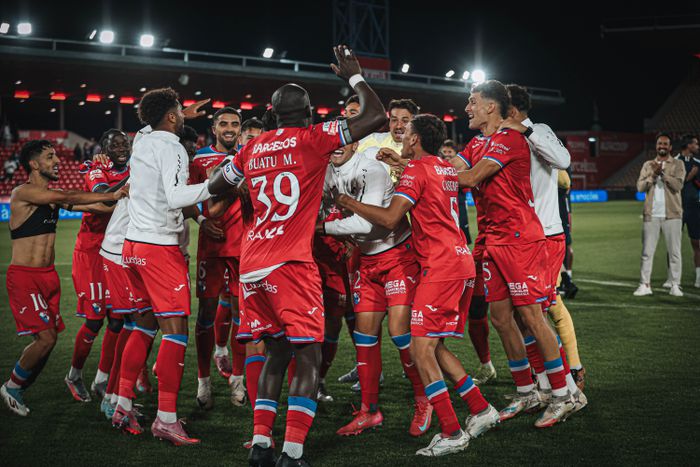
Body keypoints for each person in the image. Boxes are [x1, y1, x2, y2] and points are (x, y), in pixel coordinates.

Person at [208, 44, 387, 467]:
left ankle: (260, 446)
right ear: (308, 114)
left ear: (271, 114)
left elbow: (217, 183)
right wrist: (355, 76)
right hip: (291, 263)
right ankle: (292, 453)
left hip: (253, 264)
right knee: (307, 354)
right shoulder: (313, 138)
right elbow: (375, 117)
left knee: (275, 352)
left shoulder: (252, 148)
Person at [337, 114, 499, 457]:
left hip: (440, 268)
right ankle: (481, 408)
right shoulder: (443, 167)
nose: (401, 134)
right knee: (433, 346)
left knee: (420, 349)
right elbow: (429, 177)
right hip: (459, 261)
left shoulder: (416, 172)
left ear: (414, 140)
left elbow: (389, 218)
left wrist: (348, 203)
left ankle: (452, 431)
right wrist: (400, 163)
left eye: (407, 131)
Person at [456, 80, 576, 428]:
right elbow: (455, 168)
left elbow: (470, 178)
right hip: (493, 240)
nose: (467, 108)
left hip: (521, 239)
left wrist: (422, 174)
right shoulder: (480, 142)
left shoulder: (511, 138)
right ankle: (527, 391)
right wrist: (415, 165)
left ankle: (563, 394)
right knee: (500, 318)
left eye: (473, 102)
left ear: (491, 107)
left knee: (534, 317)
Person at [113, 89, 212, 445]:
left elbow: (149, 125)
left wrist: (177, 111)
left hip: (132, 246)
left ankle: (122, 404)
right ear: (171, 117)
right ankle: (166, 420)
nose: (183, 116)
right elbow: (176, 197)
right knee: (175, 331)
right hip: (159, 248)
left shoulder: (142, 140)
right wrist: (217, 183)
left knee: (144, 326)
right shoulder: (172, 147)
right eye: (178, 112)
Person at [318, 127, 432, 438]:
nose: (337, 147)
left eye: (344, 142)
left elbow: (367, 224)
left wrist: (322, 228)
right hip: (365, 263)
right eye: (333, 143)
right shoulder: (326, 170)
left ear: (355, 143)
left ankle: (424, 400)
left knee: (399, 333)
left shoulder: (371, 168)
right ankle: (369, 411)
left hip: (397, 258)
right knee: (365, 337)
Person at [2, 140, 127, 416]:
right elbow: (67, 196)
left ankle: (21, 385)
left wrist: (125, 202)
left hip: (48, 277)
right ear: (34, 164)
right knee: (45, 339)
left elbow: (97, 207)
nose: (57, 161)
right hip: (25, 277)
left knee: (49, 340)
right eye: (50, 157)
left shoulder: (51, 196)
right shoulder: (23, 192)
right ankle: (12, 387)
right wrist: (115, 192)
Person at [502, 84, 587, 396]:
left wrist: (526, 131)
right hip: (519, 238)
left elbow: (562, 161)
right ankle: (545, 379)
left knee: (545, 307)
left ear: (512, 110)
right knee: (521, 312)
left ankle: (570, 374)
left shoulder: (538, 130)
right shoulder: (500, 139)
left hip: (545, 236)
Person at [65, 129, 131, 403]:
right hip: (91, 251)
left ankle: (102, 379)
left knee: (118, 318)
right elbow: (103, 195)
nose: (122, 148)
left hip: (116, 251)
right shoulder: (95, 168)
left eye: (125, 144)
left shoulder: (133, 167)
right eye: (115, 145)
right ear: (104, 149)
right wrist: (134, 178)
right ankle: (74, 375)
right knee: (94, 320)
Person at [190, 107, 247, 409]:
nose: (229, 128)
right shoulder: (199, 160)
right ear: (213, 128)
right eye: (223, 123)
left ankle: (238, 379)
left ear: (240, 129)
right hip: (211, 248)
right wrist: (201, 220)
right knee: (206, 314)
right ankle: (203, 381)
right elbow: (187, 198)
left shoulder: (248, 156)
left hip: (243, 248)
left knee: (241, 315)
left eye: (234, 124)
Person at [634, 133, 686, 297]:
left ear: (670, 147)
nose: (662, 146)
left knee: (674, 252)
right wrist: (653, 175)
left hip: (673, 214)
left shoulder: (678, 164)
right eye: (659, 143)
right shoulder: (648, 165)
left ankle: (675, 284)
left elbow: (678, 185)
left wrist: (662, 174)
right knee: (647, 252)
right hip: (651, 214)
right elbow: (640, 187)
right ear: (656, 146)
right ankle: (645, 284)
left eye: (665, 144)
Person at [675, 134, 700, 288]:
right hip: (677, 207)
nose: (698, 146)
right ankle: (672, 278)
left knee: (697, 243)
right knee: (673, 244)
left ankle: (698, 278)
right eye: (695, 144)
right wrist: (689, 176)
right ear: (688, 145)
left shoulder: (698, 163)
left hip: (694, 208)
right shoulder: (674, 162)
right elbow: (671, 184)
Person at [440, 139, 472, 244]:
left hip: (459, 201)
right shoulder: (437, 166)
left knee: (462, 229)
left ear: (456, 153)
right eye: (444, 152)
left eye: (450, 152)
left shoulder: (461, 166)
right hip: (443, 202)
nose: (447, 154)